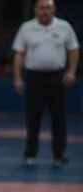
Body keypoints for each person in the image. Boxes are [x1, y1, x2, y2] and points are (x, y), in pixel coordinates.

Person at [12, 0, 79, 167]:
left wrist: (71, 71)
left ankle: (59, 153)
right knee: (33, 117)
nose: (45, 11)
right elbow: (19, 54)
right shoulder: (26, 28)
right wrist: (18, 77)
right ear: (35, 10)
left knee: (59, 117)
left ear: (54, 9)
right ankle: (30, 153)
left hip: (56, 77)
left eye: (48, 7)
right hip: (34, 77)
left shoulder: (64, 26)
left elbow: (73, 49)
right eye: (42, 8)